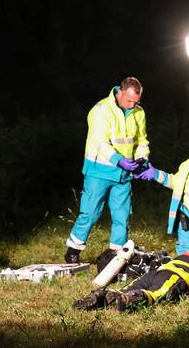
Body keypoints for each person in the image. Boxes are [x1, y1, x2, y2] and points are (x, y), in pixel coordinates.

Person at [64, 77, 152, 263]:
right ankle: (73, 251)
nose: (132, 104)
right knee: (90, 213)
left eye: (136, 101)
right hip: (99, 170)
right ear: (119, 92)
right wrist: (120, 160)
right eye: (129, 100)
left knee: (122, 215)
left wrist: (142, 158)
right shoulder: (100, 111)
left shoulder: (138, 112)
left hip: (124, 174)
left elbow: (142, 140)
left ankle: (116, 256)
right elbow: (99, 143)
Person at [72, 238, 189, 311]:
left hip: (157, 272)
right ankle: (126, 300)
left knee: (130, 286)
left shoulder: (186, 254)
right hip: (176, 278)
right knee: (156, 294)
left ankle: (105, 295)